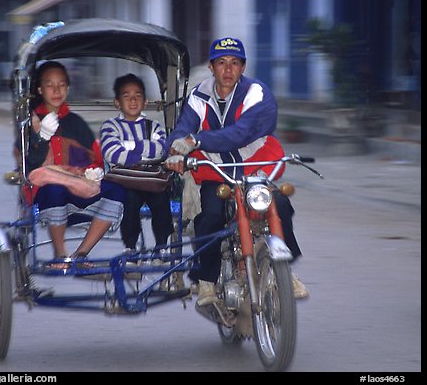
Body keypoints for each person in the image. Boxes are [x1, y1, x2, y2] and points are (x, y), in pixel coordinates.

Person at [165, 37, 309, 312]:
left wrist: (196, 141)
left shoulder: (257, 93)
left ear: (243, 67)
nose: (228, 69)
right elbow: (183, 127)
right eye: (221, 63)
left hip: (253, 167)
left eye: (234, 63)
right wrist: (174, 150)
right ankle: (206, 280)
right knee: (209, 216)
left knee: (279, 205)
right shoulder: (198, 95)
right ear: (211, 67)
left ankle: (284, 271)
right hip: (214, 171)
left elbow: (241, 133)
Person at [18, 61, 125, 268]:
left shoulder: (76, 123)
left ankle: (81, 253)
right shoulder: (30, 123)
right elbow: (29, 166)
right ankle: (60, 255)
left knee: (118, 191)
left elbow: (93, 158)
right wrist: (42, 138)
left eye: (61, 84)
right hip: (48, 192)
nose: (56, 90)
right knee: (54, 189)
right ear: (40, 89)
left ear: (67, 87)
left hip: (79, 186)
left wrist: (94, 171)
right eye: (50, 85)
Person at [100, 73, 173, 252]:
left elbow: (163, 149)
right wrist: (144, 150)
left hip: (151, 180)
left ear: (145, 101)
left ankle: (162, 245)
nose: (133, 100)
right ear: (117, 102)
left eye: (137, 96)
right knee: (129, 202)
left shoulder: (154, 125)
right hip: (125, 181)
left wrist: (131, 147)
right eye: (126, 96)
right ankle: (131, 246)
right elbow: (112, 153)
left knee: (161, 201)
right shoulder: (110, 126)